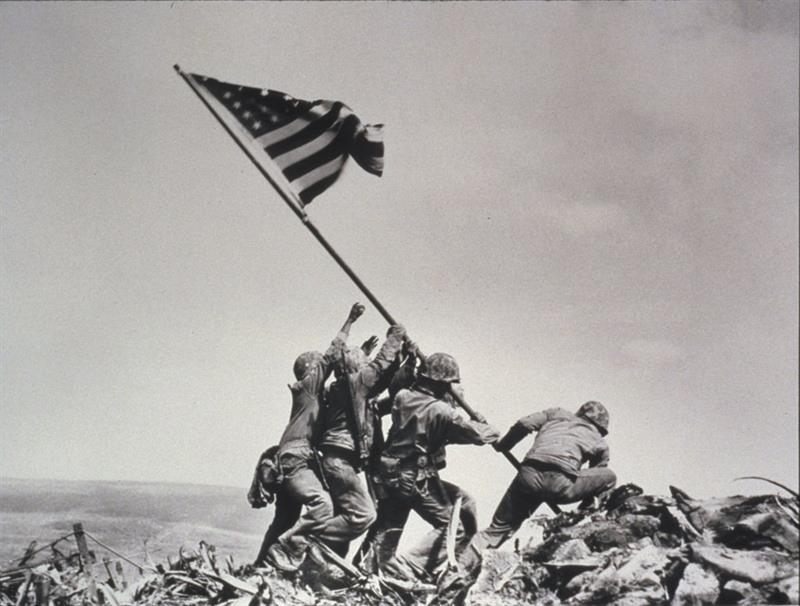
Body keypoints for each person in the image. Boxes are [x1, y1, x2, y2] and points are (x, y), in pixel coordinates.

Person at [452, 401, 617, 583]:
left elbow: (524, 424)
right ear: (600, 427)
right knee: (609, 477)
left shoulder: (556, 413)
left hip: (527, 476)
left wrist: (504, 445)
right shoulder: (600, 442)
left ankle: (457, 570)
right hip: (560, 484)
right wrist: (582, 510)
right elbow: (594, 482)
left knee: (496, 530)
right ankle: (578, 517)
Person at [369, 353, 500, 580]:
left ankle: (374, 570)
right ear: (440, 383)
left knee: (388, 531)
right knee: (454, 528)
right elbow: (479, 436)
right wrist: (486, 425)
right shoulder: (441, 411)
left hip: (390, 473)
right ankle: (409, 568)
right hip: (414, 477)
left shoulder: (402, 397)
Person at [265, 303, 364, 572]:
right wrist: (349, 321)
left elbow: (344, 374)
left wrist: (361, 354)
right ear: (310, 371)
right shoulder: (308, 387)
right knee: (323, 505)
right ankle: (289, 549)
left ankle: (262, 565)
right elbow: (331, 356)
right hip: (296, 459)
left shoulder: (314, 396)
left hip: (296, 459)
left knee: (285, 517)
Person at [313, 323, 408, 556]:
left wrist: (404, 361)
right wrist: (395, 337)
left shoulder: (348, 391)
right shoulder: (355, 384)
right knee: (363, 515)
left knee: (344, 517)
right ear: (357, 368)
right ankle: (304, 538)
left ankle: (324, 563)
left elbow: (385, 383)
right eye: (364, 364)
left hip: (339, 461)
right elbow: (379, 367)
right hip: (340, 462)